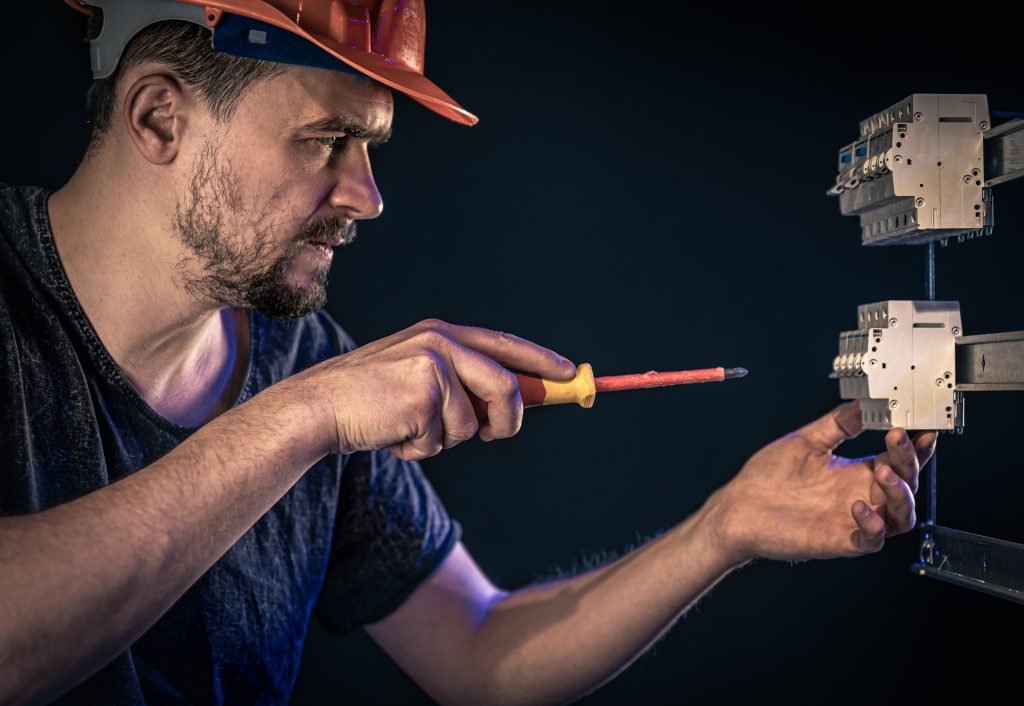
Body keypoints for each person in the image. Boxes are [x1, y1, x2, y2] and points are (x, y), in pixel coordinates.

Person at [0, 2, 937, 704]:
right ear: (160, 118)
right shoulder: (312, 391)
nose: (368, 197)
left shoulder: (302, 358)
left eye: (369, 150)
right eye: (326, 140)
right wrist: (304, 419)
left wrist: (723, 530)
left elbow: (478, 654)